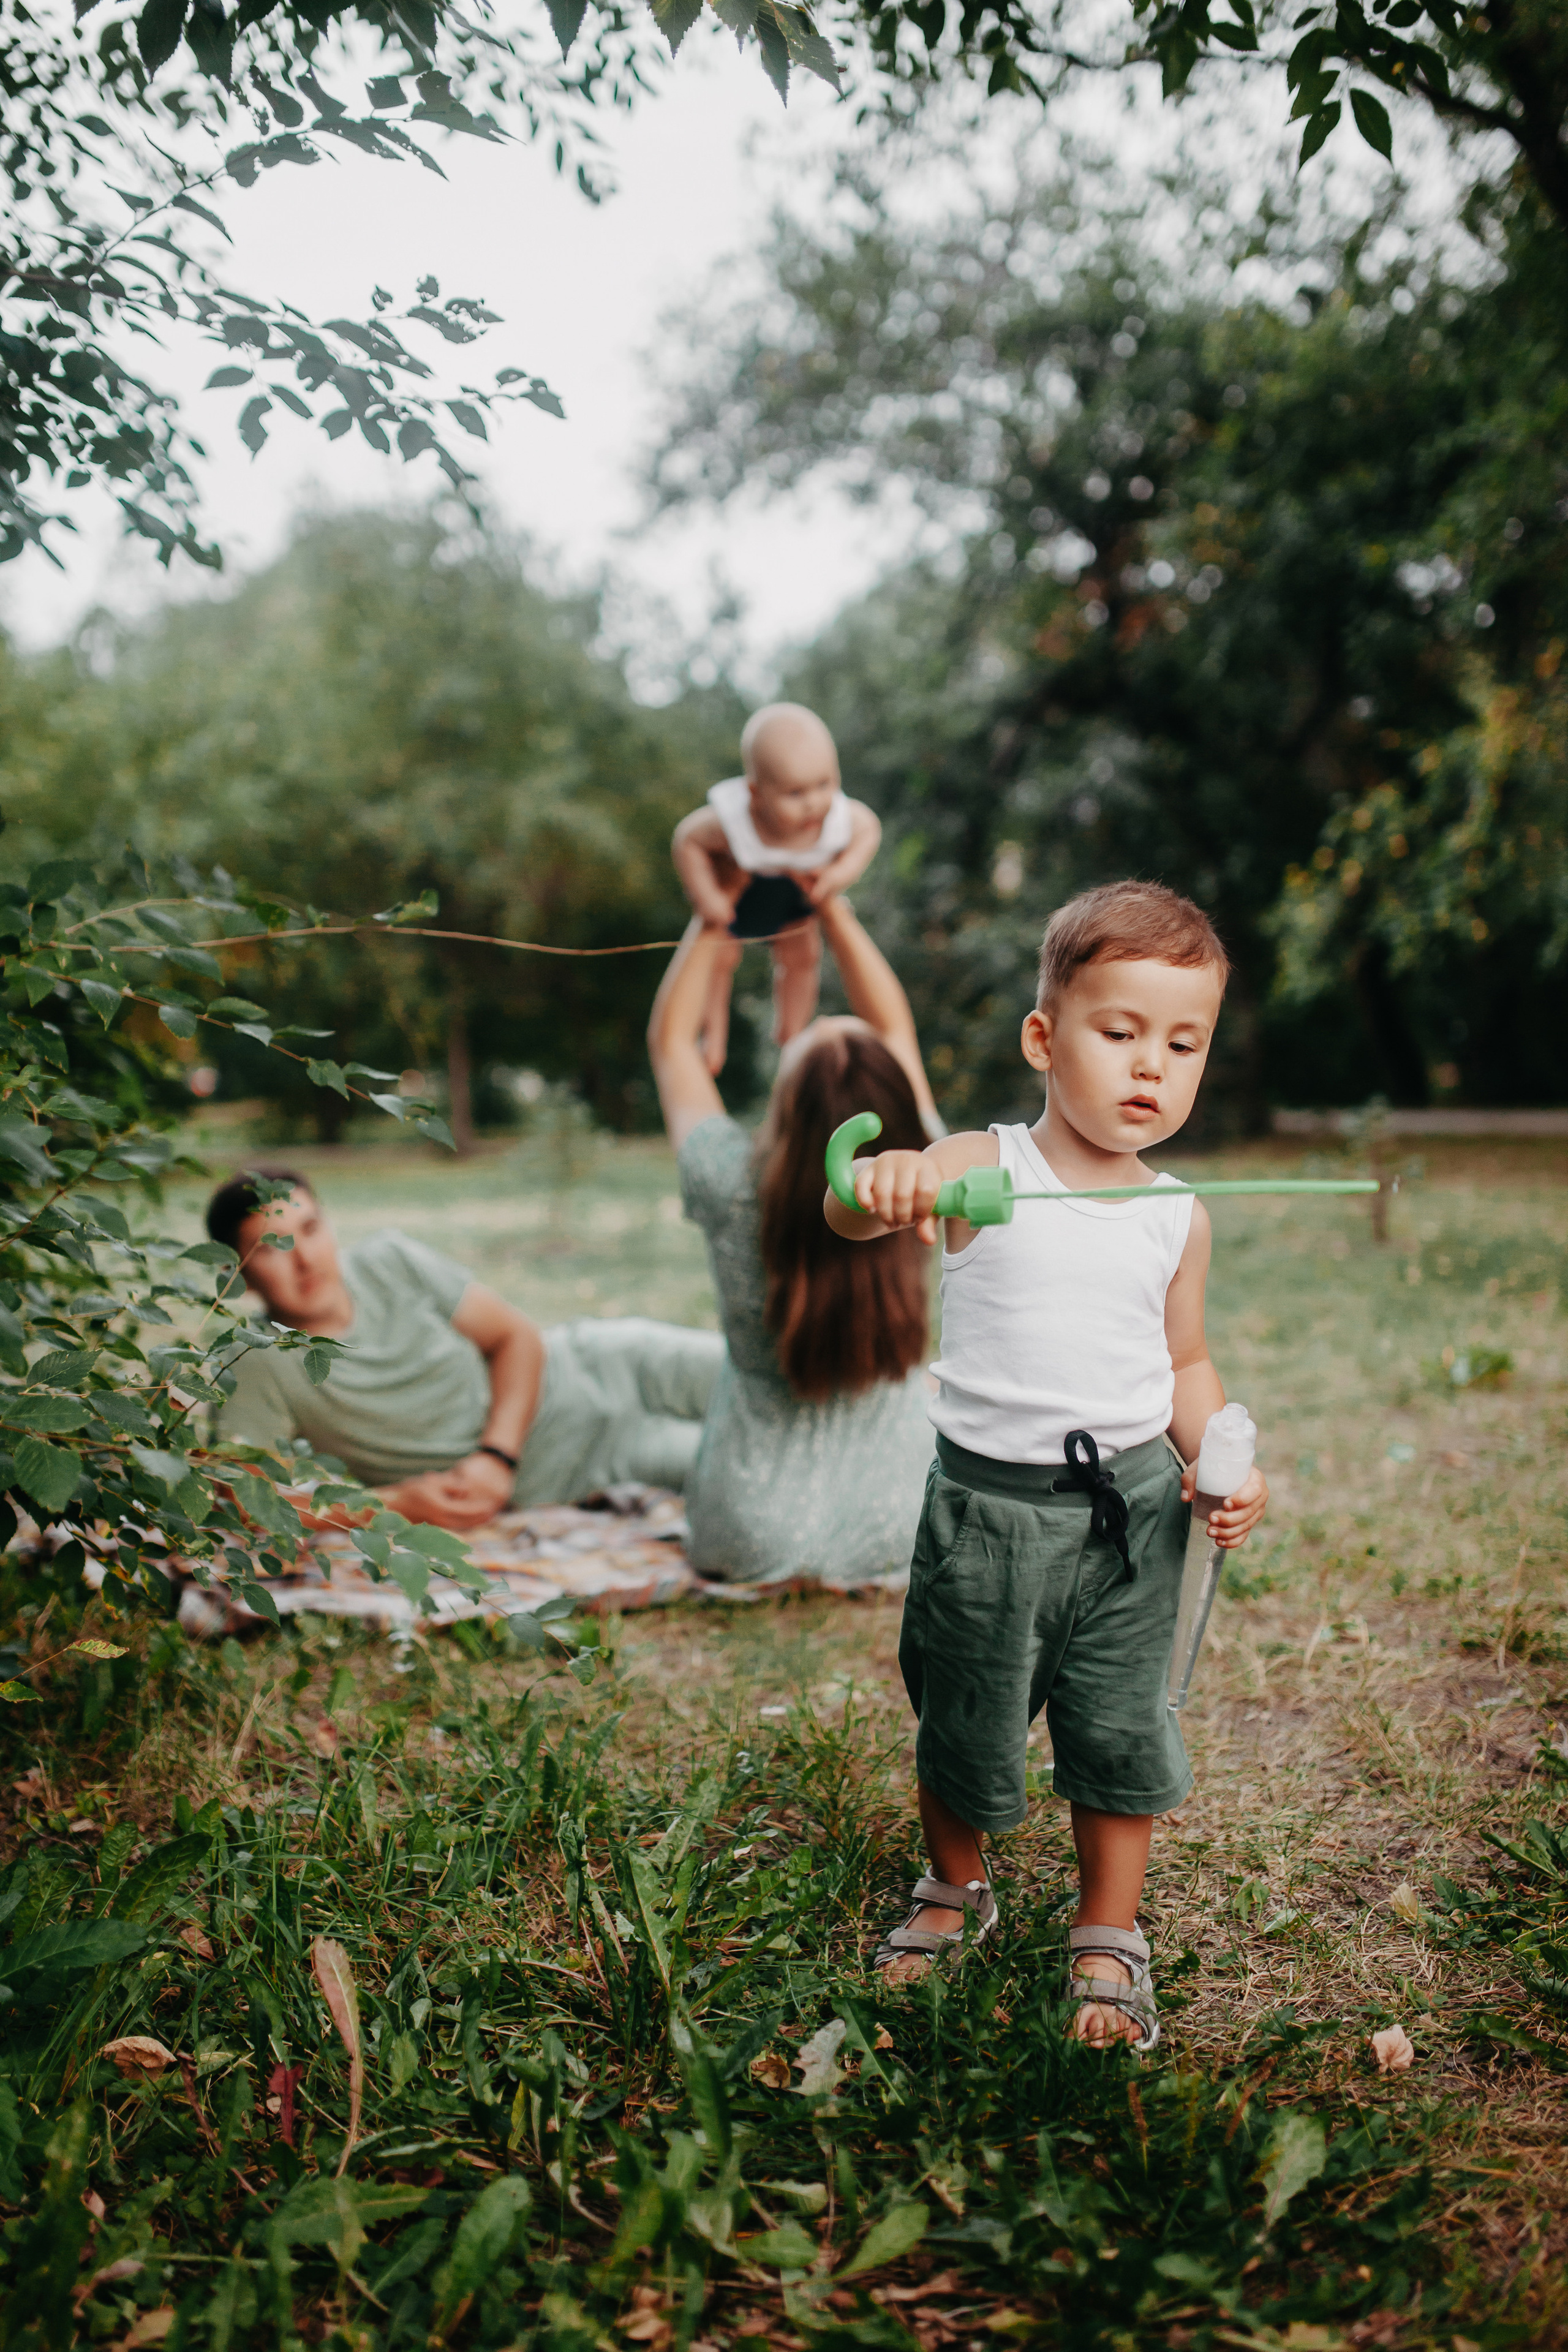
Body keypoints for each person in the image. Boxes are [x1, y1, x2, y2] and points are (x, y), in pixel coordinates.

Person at [826, 880, 1269, 2045]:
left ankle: (1107, 1927)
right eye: (1118, 1032)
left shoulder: (1179, 1214)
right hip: (989, 1513)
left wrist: (1219, 1460)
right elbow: (858, 1218)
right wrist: (888, 1183)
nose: (1149, 1068)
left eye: (1183, 1044)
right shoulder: (985, 1168)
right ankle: (955, 1883)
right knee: (965, 1713)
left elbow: (1184, 1360)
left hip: (1129, 1516)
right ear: (1045, 1036)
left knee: (1122, 1725)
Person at [647, 891, 943, 1586]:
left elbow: (670, 1045)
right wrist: (833, 904)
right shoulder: (921, 1170)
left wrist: (713, 911)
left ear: (782, 1113)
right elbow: (893, 1023)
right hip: (898, 1520)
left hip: (748, 1527)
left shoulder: (730, 1181)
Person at [206, 1175, 722, 1531]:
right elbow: (250, 1500)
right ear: (239, 1275)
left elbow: (515, 1337)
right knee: (744, 1463)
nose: (306, 1258)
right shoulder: (257, 1360)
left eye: (312, 1228)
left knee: (778, 1373)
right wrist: (395, 1506)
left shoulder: (390, 1260)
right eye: (274, 1247)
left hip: (606, 1361)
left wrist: (496, 1456)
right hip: (589, 1462)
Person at [671, 703, 881, 1077]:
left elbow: (870, 830)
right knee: (718, 963)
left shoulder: (838, 818)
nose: (814, 802)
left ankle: (791, 1036)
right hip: (744, 891)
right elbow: (687, 840)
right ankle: (714, 1037)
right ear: (755, 794)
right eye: (795, 793)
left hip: (795, 895)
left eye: (824, 784)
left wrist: (839, 873)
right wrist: (708, 897)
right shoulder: (732, 821)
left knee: (802, 958)